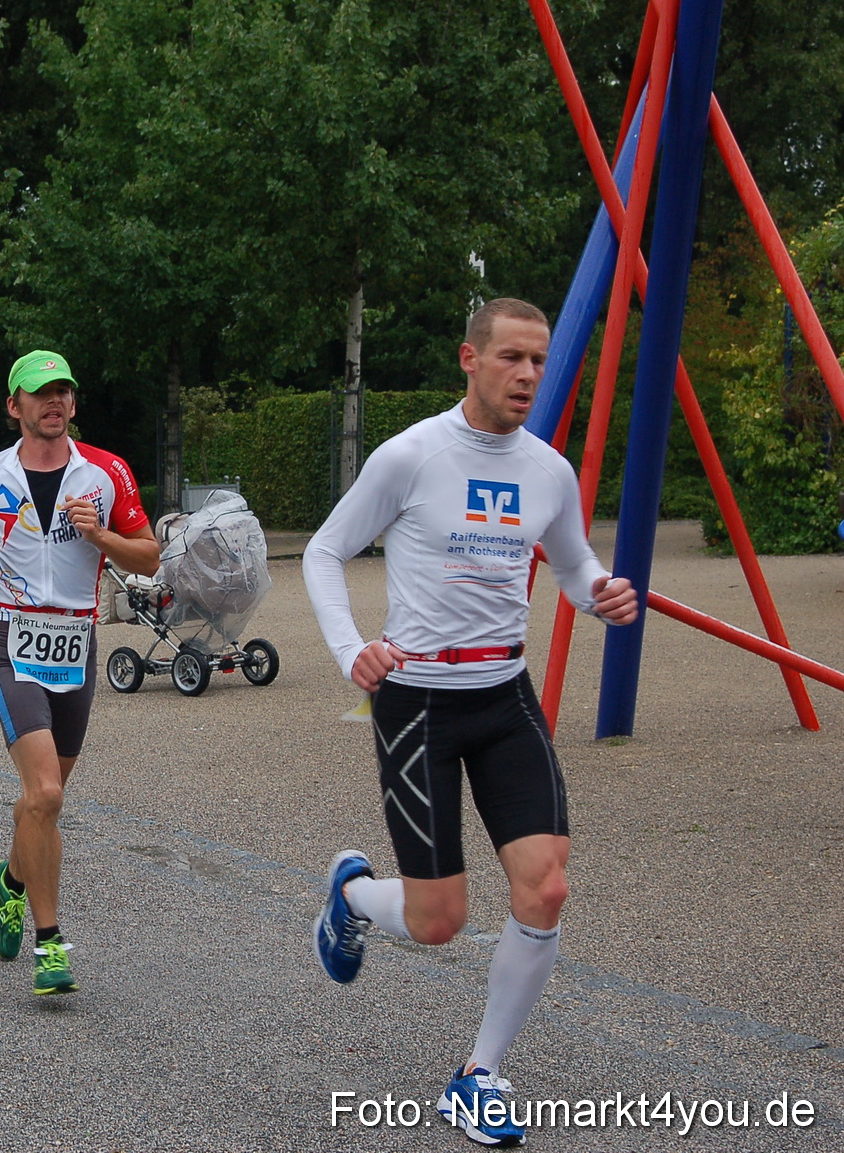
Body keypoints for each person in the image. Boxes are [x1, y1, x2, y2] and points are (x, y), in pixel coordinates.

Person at [302, 299, 640, 1147]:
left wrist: (598, 591)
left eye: (539, 360)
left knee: (548, 884)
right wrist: (352, 651)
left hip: (504, 694)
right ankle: (349, 894)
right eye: (513, 358)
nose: (528, 374)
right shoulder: (411, 455)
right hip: (417, 701)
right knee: (438, 920)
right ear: (470, 358)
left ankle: (478, 1073)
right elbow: (323, 550)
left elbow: (571, 564)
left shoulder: (549, 471)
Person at [0, 350, 159, 996]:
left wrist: (102, 537)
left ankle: (8, 881)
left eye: (62, 391)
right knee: (48, 794)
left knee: (41, 797)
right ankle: (51, 943)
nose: (53, 402)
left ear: (73, 404)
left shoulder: (105, 473)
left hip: (76, 642)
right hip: (11, 639)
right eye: (39, 393)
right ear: (15, 407)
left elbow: (148, 553)